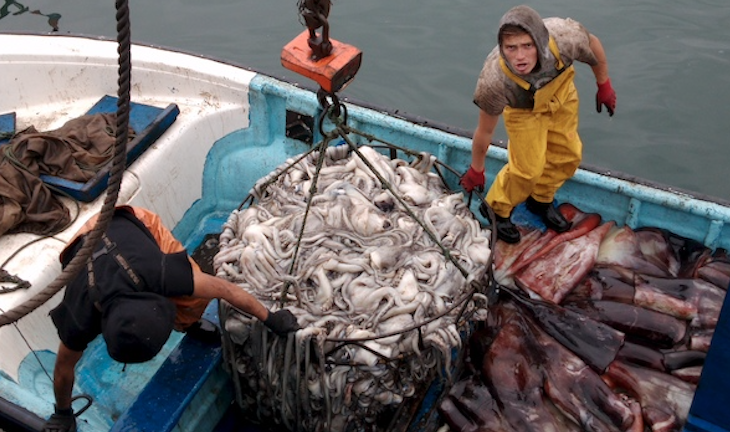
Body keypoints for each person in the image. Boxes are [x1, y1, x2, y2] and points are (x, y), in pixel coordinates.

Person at [41, 206, 299, 432]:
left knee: (193, 299)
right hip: (78, 245)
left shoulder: (160, 272)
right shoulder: (79, 314)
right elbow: (63, 369)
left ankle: (190, 323)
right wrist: (62, 413)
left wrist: (270, 317)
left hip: (125, 219)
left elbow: (224, 289)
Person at [460, 5, 616, 243]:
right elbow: (485, 130)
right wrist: (476, 168)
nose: (520, 57)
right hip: (524, 113)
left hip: (561, 97)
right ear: (502, 49)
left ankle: (540, 200)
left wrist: (603, 84)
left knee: (568, 156)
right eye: (511, 48)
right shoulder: (494, 82)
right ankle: (496, 209)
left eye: (527, 46)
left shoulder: (565, 38)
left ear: (540, 42)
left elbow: (593, 43)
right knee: (526, 170)